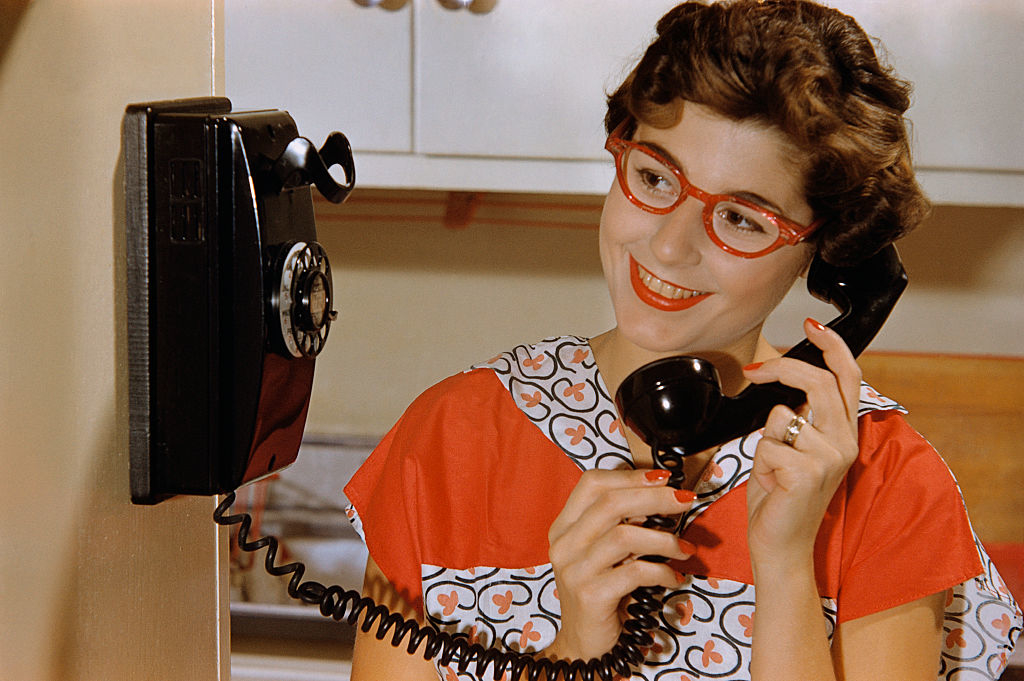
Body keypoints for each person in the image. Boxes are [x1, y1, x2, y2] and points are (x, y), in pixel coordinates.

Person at [343, 1, 1022, 679]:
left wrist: (786, 570)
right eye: (654, 177)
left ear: (829, 254)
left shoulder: (888, 483)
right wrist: (574, 649)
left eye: (741, 219)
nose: (669, 245)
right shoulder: (447, 441)